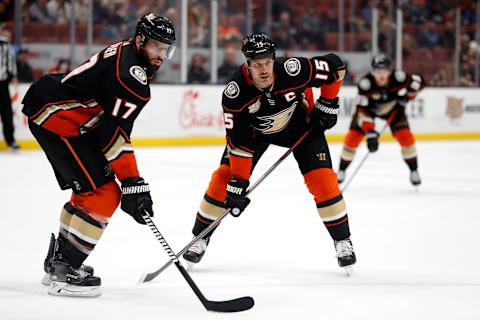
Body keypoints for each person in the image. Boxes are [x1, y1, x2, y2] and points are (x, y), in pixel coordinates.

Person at [21, 13, 176, 297]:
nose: (162, 55)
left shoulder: (128, 53)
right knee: (103, 194)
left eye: (167, 49)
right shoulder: (131, 76)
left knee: (90, 190)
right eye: (157, 46)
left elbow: (109, 130)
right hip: (59, 118)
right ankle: (64, 270)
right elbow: (113, 135)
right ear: (140, 41)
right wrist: (132, 182)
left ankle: (59, 261)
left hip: (61, 109)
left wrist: (132, 182)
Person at [182, 33, 356, 273]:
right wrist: (239, 182)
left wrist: (329, 102)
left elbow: (336, 66)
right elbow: (238, 142)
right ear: (247, 64)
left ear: (274, 60)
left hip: (301, 127)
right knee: (223, 179)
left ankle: (342, 241)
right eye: (256, 64)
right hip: (256, 134)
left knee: (323, 182)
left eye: (267, 62)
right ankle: (199, 237)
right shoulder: (236, 93)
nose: (263, 69)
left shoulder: (294, 70)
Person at [337, 54, 425, 186]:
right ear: (372, 72)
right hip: (368, 111)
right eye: (377, 72)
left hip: (394, 110)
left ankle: (414, 170)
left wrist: (408, 96)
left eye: (384, 71)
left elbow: (420, 82)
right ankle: (342, 170)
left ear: (389, 71)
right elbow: (362, 110)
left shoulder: (399, 77)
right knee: (352, 139)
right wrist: (370, 132)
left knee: (406, 138)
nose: (381, 75)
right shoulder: (365, 84)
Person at [0, 29, 20, 150]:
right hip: (2, 83)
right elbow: (11, 63)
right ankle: (10, 141)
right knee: (6, 113)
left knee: (7, 113)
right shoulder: (6, 45)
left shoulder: (6, 46)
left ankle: (10, 140)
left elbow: (10, 62)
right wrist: (13, 75)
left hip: (2, 83)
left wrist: (13, 76)